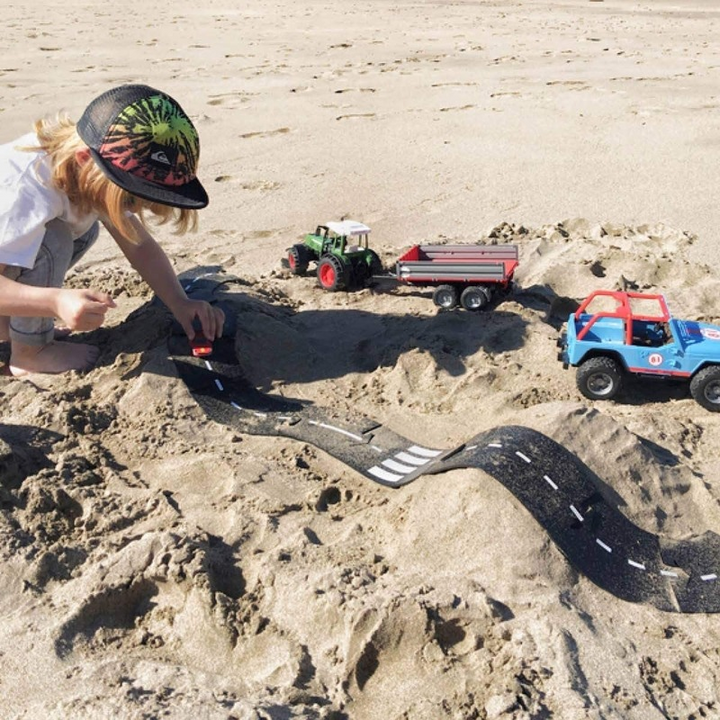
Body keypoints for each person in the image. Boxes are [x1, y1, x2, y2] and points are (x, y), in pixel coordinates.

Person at [0, 83, 224, 376]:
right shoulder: (24, 193)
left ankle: (11, 326)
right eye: (131, 196)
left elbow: (138, 245)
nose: (136, 207)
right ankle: (31, 352)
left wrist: (180, 303)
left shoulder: (85, 173)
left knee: (86, 228)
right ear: (85, 159)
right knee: (54, 239)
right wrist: (56, 301)